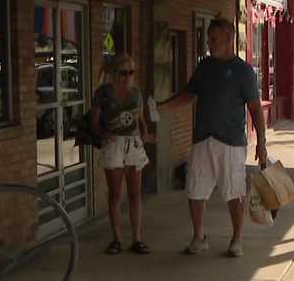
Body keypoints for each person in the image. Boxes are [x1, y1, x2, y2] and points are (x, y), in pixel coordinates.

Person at [158, 18, 268, 258]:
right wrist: (162, 108)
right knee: (195, 189)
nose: (210, 44)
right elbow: (187, 95)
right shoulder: (204, 67)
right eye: (209, 39)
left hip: (231, 142)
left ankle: (236, 239)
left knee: (233, 191)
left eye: (215, 39)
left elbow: (256, 109)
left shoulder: (243, 70)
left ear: (230, 38)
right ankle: (199, 237)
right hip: (202, 139)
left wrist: (262, 142)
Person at [91, 55, 153, 255]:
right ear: (115, 73)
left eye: (131, 72)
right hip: (114, 144)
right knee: (115, 194)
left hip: (133, 144)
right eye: (124, 72)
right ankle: (116, 239)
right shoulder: (103, 93)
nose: (128, 76)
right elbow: (94, 121)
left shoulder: (136, 94)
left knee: (135, 194)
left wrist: (145, 133)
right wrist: (103, 133)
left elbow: (141, 119)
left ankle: (137, 238)